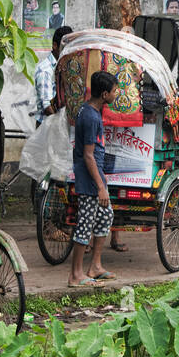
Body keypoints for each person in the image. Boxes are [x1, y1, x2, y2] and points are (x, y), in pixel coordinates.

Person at [69, 70, 119, 287]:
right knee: (85, 223)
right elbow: (88, 155)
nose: (117, 94)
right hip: (89, 177)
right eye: (115, 91)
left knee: (105, 216)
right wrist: (100, 187)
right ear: (105, 94)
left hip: (94, 175)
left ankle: (95, 266)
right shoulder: (90, 116)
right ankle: (75, 275)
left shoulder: (90, 110)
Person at [35, 25, 74, 126]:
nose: (68, 52)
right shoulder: (45, 70)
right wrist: (59, 128)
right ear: (55, 46)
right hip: (47, 126)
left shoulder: (66, 66)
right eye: (65, 48)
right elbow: (47, 106)